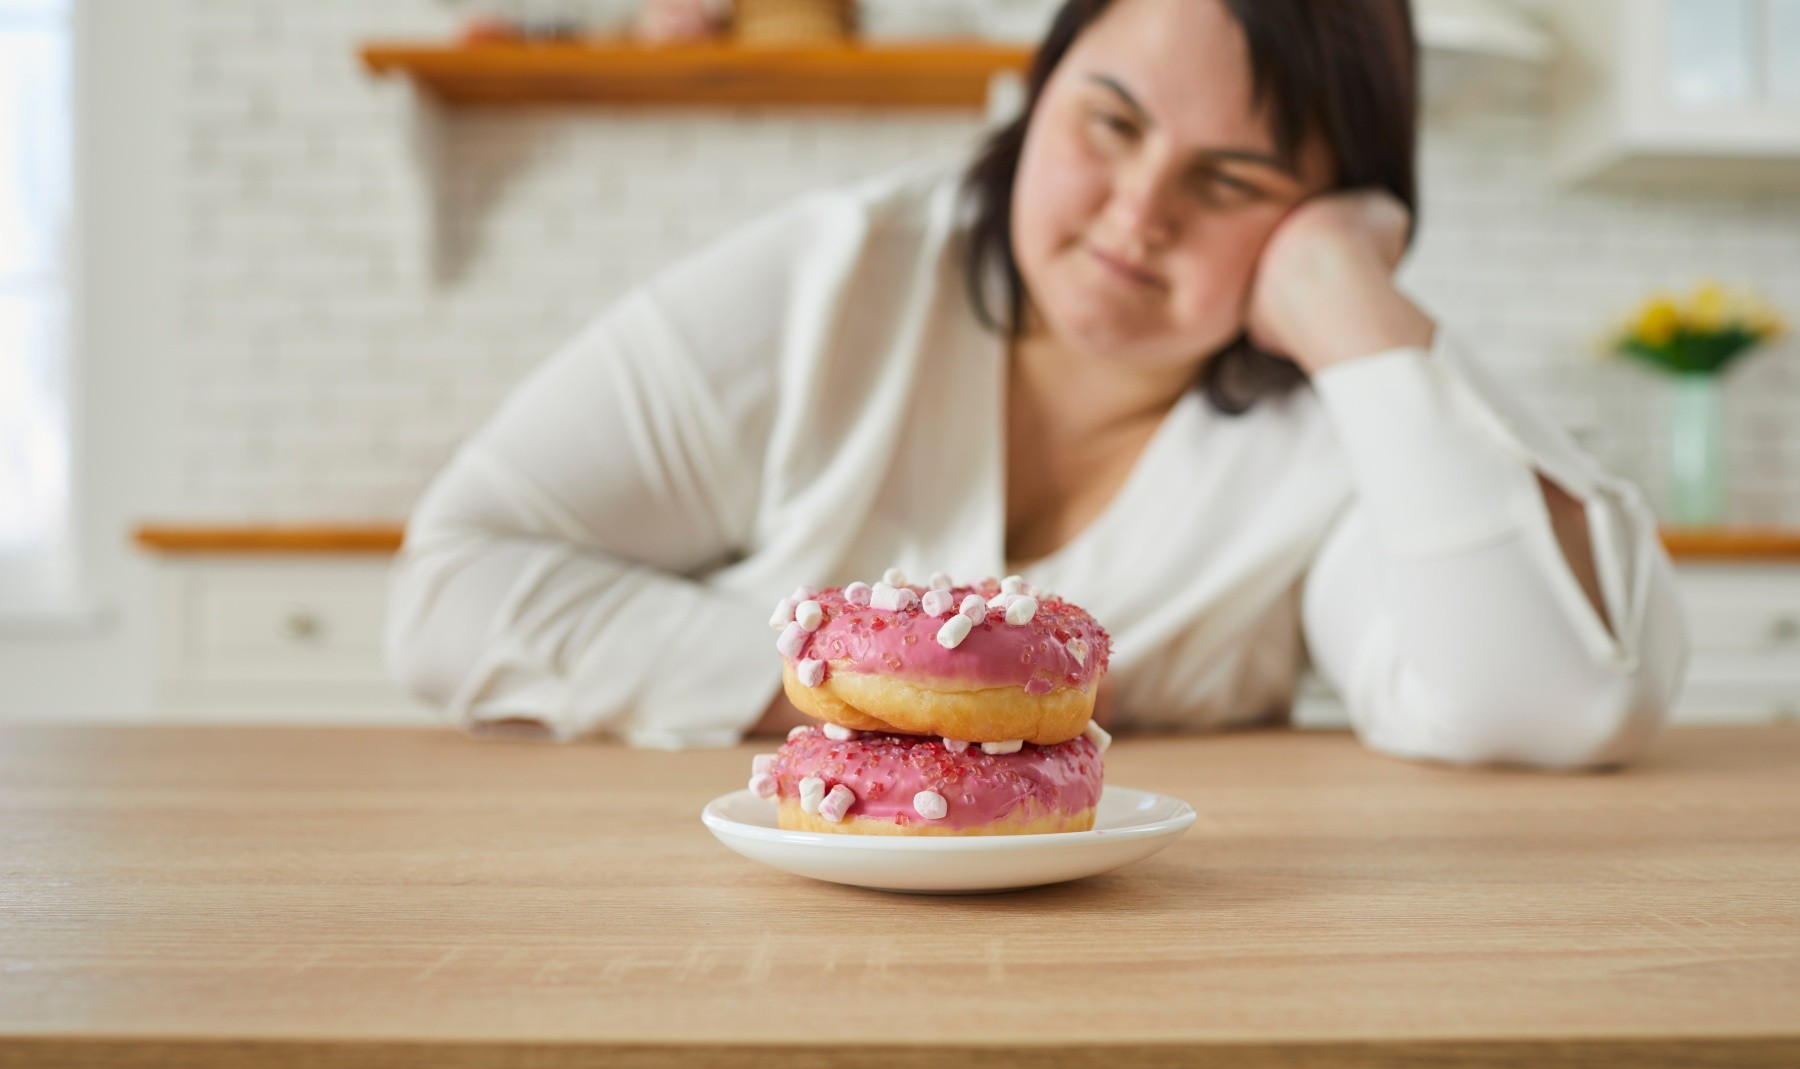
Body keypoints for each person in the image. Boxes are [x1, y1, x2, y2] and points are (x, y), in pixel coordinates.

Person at [384, 0, 1688, 766]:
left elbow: (1549, 697)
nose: (1137, 217)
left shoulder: (1336, 438)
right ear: (1034, 93)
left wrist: (1359, 315)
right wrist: (907, 689)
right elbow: (453, 580)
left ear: (1336, 214)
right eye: (1109, 125)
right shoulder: (833, 279)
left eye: (1231, 182)